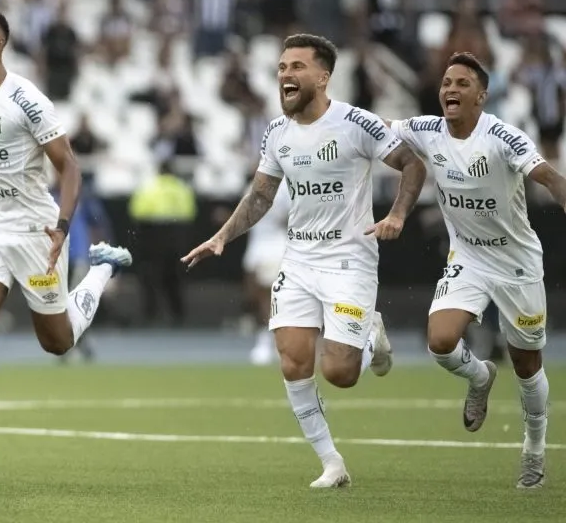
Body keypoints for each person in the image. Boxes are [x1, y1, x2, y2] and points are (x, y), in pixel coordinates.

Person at [181, 33, 426, 488]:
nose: (286, 75)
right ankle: (331, 463)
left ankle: (371, 331)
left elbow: (413, 164)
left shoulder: (357, 123)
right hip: (298, 261)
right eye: (281, 68)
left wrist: (396, 214)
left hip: (349, 261)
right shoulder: (277, 133)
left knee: (339, 373)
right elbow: (260, 195)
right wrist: (222, 237)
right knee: (293, 362)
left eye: (296, 66)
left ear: (323, 76)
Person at [0, 6, 133, 476]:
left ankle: (101, 270)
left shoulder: (26, 98)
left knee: (57, 342)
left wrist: (62, 227)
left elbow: (69, 166)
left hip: (35, 230)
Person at [387, 51, 563, 489]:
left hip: (517, 263)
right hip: (467, 257)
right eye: (447, 82)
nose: (450, 89)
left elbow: (549, 177)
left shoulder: (503, 137)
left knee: (527, 365)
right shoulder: (425, 130)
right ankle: (480, 375)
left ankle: (534, 449)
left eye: (462, 83)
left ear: (481, 96)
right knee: (442, 343)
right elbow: (373, 130)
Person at [244, 185, 290, 365]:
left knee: (271, 297)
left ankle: (271, 341)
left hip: (275, 244)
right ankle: (267, 338)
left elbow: (293, 217)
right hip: (255, 243)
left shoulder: (286, 186)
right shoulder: (252, 184)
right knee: (254, 295)